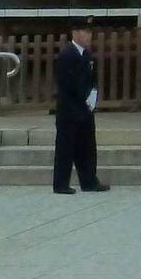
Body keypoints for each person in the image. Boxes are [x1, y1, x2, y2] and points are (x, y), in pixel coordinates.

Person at [52, 19, 111, 194]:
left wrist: (93, 93)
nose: (88, 36)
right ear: (75, 33)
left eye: (90, 32)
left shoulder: (86, 54)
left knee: (87, 147)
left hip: (85, 109)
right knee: (66, 148)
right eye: (85, 32)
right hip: (69, 109)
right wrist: (84, 95)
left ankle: (89, 181)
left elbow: (91, 78)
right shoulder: (67, 54)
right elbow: (68, 82)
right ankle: (60, 184)